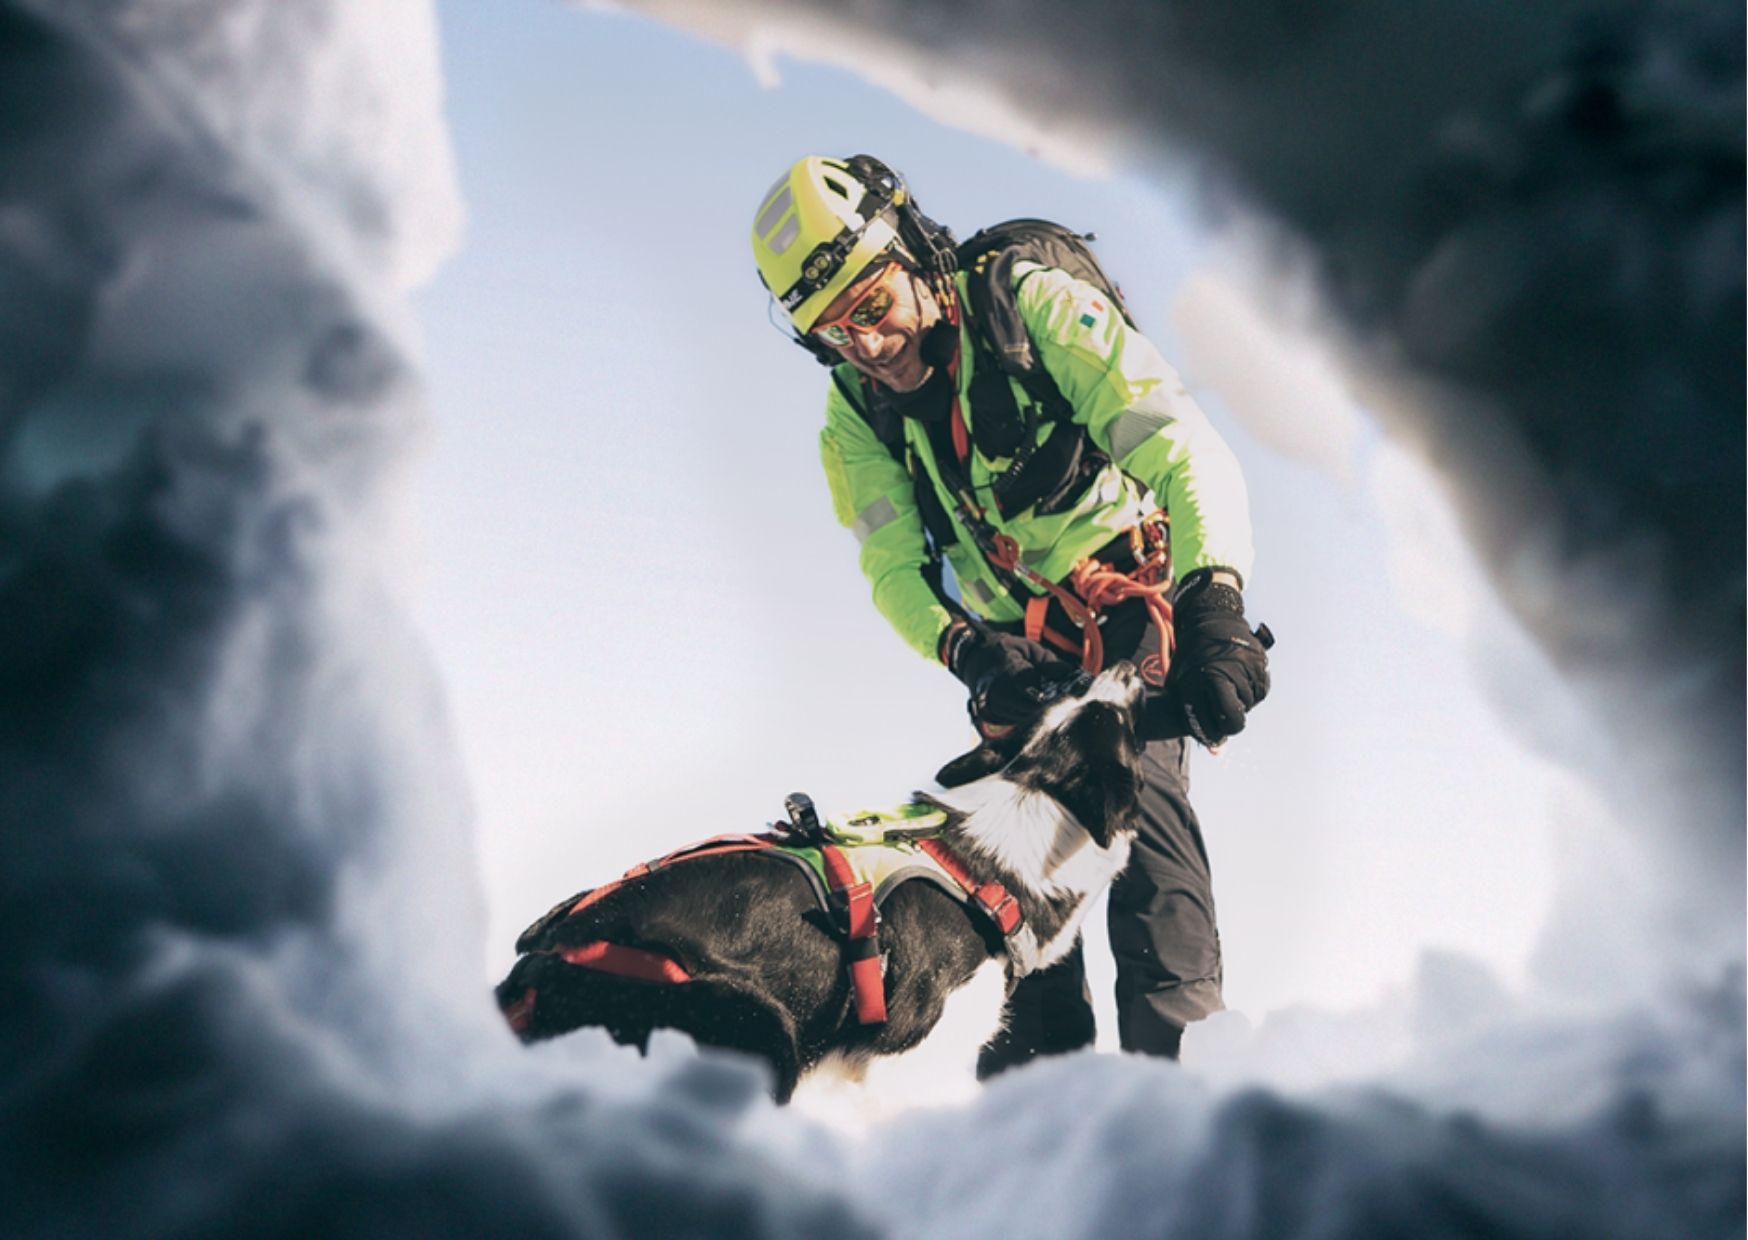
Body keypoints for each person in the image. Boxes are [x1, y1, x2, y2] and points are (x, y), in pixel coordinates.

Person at [749, 154, 1270, 1069]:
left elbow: (1180, 445)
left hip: (1126, 638)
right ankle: (1032, 1136)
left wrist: (1215, 596)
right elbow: (891, 566)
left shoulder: (1032, 308)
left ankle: (1184, 1109)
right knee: (1006, 912)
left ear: (913, 250)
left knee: (1149, 864)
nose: (866, 346)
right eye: (833, 335)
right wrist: (965, 650)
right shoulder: (855, 419)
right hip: (1016, 667)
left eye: (871, 307)